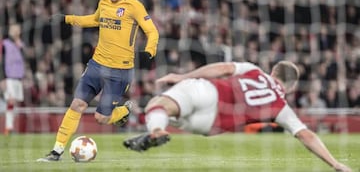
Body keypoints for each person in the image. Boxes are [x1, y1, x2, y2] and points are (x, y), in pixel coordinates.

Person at [124, 61, 352, 172]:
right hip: (210, 125)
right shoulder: (281, 105)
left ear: (272, 72)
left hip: (210, 93)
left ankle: (155, 130)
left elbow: (222, 68)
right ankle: (156, 128)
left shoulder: (254, 70)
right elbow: (306, 135)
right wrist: (335, 163)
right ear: (290, 88)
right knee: (172, 115)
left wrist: (184, 76)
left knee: (158, 105)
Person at [37, 0, 159, 162]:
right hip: (97, 64)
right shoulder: (103, 2)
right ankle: (56, 151)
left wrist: (149, 52)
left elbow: (152, 32)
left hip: (120, 71)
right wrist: (67, 19)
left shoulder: (135, 6)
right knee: (77, 104)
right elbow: (94, 20)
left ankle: (125, 109)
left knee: (101, 118)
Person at [0, 23, 26, 135]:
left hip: (18, 77)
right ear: (11, 30)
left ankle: (10, 126)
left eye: (18, 29)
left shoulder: (20, 45)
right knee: (10, 101)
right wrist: (2, 78)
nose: (17, 31)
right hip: (8, 77)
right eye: (15, 29)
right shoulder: (4, 44)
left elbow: (24, 60)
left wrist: (20, 46)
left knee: (14, 102)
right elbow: (1, 61)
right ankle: (8, 128)